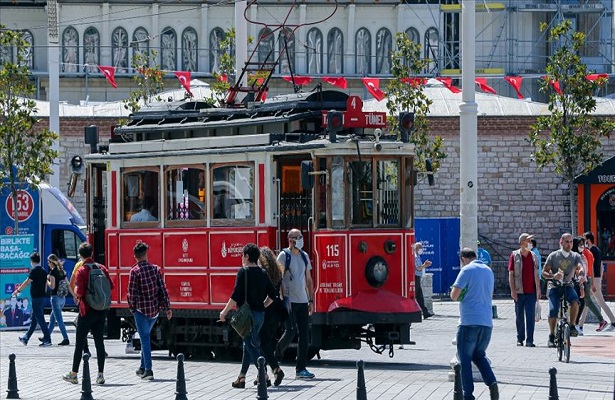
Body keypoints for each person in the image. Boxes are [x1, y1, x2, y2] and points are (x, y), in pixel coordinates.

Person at [219, 243, 277, 388]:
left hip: (247, 316)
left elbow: (235, 296)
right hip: (260, 315)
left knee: (249, 344)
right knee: (249, 343)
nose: (241, 258)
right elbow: (273, 295)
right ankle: (242, 377)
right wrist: (263, 305)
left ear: (247, 256)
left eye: (242, 255)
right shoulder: (263, 273)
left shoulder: (243, 272)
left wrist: (224, 312)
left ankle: (263, 372)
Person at [450, 248, 499, 400]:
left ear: (463, 258)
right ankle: (492, 384)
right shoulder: (488, 271)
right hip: (486, 323)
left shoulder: (466, 270)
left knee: (464, 359)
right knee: (479, 355)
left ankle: (468, 395)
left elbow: (454, 295)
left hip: (469, 321)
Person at [63, 242, 114, 385]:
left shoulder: (82, 270)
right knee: (99, 342)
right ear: (92, 253)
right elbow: (111, 286)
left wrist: (81, 297)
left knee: (79, 343)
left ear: (80, 255)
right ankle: (100, 375)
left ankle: (74, 374)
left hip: (87, 311)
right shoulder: (102, 268)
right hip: (101, 310)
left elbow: (79, 292)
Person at [127, 242, 172, 381]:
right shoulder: (155, 269)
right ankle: (142, 367)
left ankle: (148, 370)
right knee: (145, 338)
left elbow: (131, 293)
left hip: (140, 311)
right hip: (154, 311)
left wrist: (132, 308)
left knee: (145, 339)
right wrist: (167, 308)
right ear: (145, 254)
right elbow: (163, 290)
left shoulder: (134, 272)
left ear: (135, 257)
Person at [275, 229, 316, 379]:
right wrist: (282, 295)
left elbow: (309, 280)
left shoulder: (304, 256)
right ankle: (275, 355)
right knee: (290, 331)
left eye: (301, 237)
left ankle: (301, 369)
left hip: (303, 300)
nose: (301, 239)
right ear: (290, 239)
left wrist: (311, 300)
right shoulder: (284, 256)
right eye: (298, 237)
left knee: (304, 335)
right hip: (289, 300)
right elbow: (278, 277)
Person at [542, 233, 583, 347]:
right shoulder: (553, 256)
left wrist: (581, 275)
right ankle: (551, 335)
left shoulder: (575, 256)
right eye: (567, 242)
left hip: (568, 285)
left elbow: (580, 267)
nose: (569, 244)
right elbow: (544, 273)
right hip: (554, 286)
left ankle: (572, 326)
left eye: (571, 242)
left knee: (575, 301)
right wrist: (553, 276)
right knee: (553, 310)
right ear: (561, 242)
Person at [258, 247, 285, 387]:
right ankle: (263, 373)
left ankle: (276, 369)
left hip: (266, 310)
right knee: (267, 343)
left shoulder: (264, 273)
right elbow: (280, 292)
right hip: (276, 311)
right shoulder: (278, 272)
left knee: (261, 343)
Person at [508, 233, 541, 347]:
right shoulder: (514, 255)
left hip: (531, 291)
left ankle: (530, 340)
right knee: (519, 316)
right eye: (528, 241)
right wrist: (512, 290)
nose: (530, 243)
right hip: (519, 291)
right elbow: (511, 274)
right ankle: (520, 338)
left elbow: (537, 273)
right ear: (522, 243)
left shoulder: (533, 256)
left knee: (530, 316)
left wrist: (538, 289)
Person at [13, 252, 52, 346]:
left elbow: (27, 282)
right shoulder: (43, 271)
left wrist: (18, 290)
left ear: (32, 261)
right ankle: (26, 338)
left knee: (40, 319)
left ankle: (47, 339)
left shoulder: (34, 271)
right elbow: (46, 285)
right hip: (42, 297)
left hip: (36, 298)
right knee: (34, 319)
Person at [572, 237, 605, 335]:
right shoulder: (583, 254)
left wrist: (591, 281)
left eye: (583, 243)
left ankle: (578, 324)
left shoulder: (584, 255)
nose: (582, 246)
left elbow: (588, 268)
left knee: (584, 302)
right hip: (585, 280)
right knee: (584, 302)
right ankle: (578, 324)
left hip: (584, 280)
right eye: (580, 244)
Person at [583, 231, 615, 331]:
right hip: (596, 278)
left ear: (588, 240)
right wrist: (599, 279)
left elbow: (591, 267)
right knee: (588, 302)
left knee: (596, 301)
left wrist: (593, 281)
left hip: (593, 279)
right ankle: (579, 324)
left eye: (584, 240)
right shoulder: (597, 250)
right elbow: (601, 265)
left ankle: (613, 322)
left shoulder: (591, 251)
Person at [46, 254, 73, 345]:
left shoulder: (52, 273)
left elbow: (52, 286)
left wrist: (47, 281)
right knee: (52, 319)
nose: (48, 264)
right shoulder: (62, 271)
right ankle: (46, 336)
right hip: (63, 299)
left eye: (49, 262)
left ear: (52, 263)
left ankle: (66, 338)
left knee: (59, 320)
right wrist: (74, 295)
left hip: (55, 298)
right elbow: (68, 285)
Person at [414, 242, 434, 319]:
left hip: (418, 277)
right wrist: (425, 265)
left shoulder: (417, 256)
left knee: (419, 296)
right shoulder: (415, 257)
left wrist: (425, 265)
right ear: (416, 248)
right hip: (415, 277)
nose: (421, 250)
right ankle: (416, 312)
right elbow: (418, 268)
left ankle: (425, 312)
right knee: (415, 296)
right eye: (420, 248)